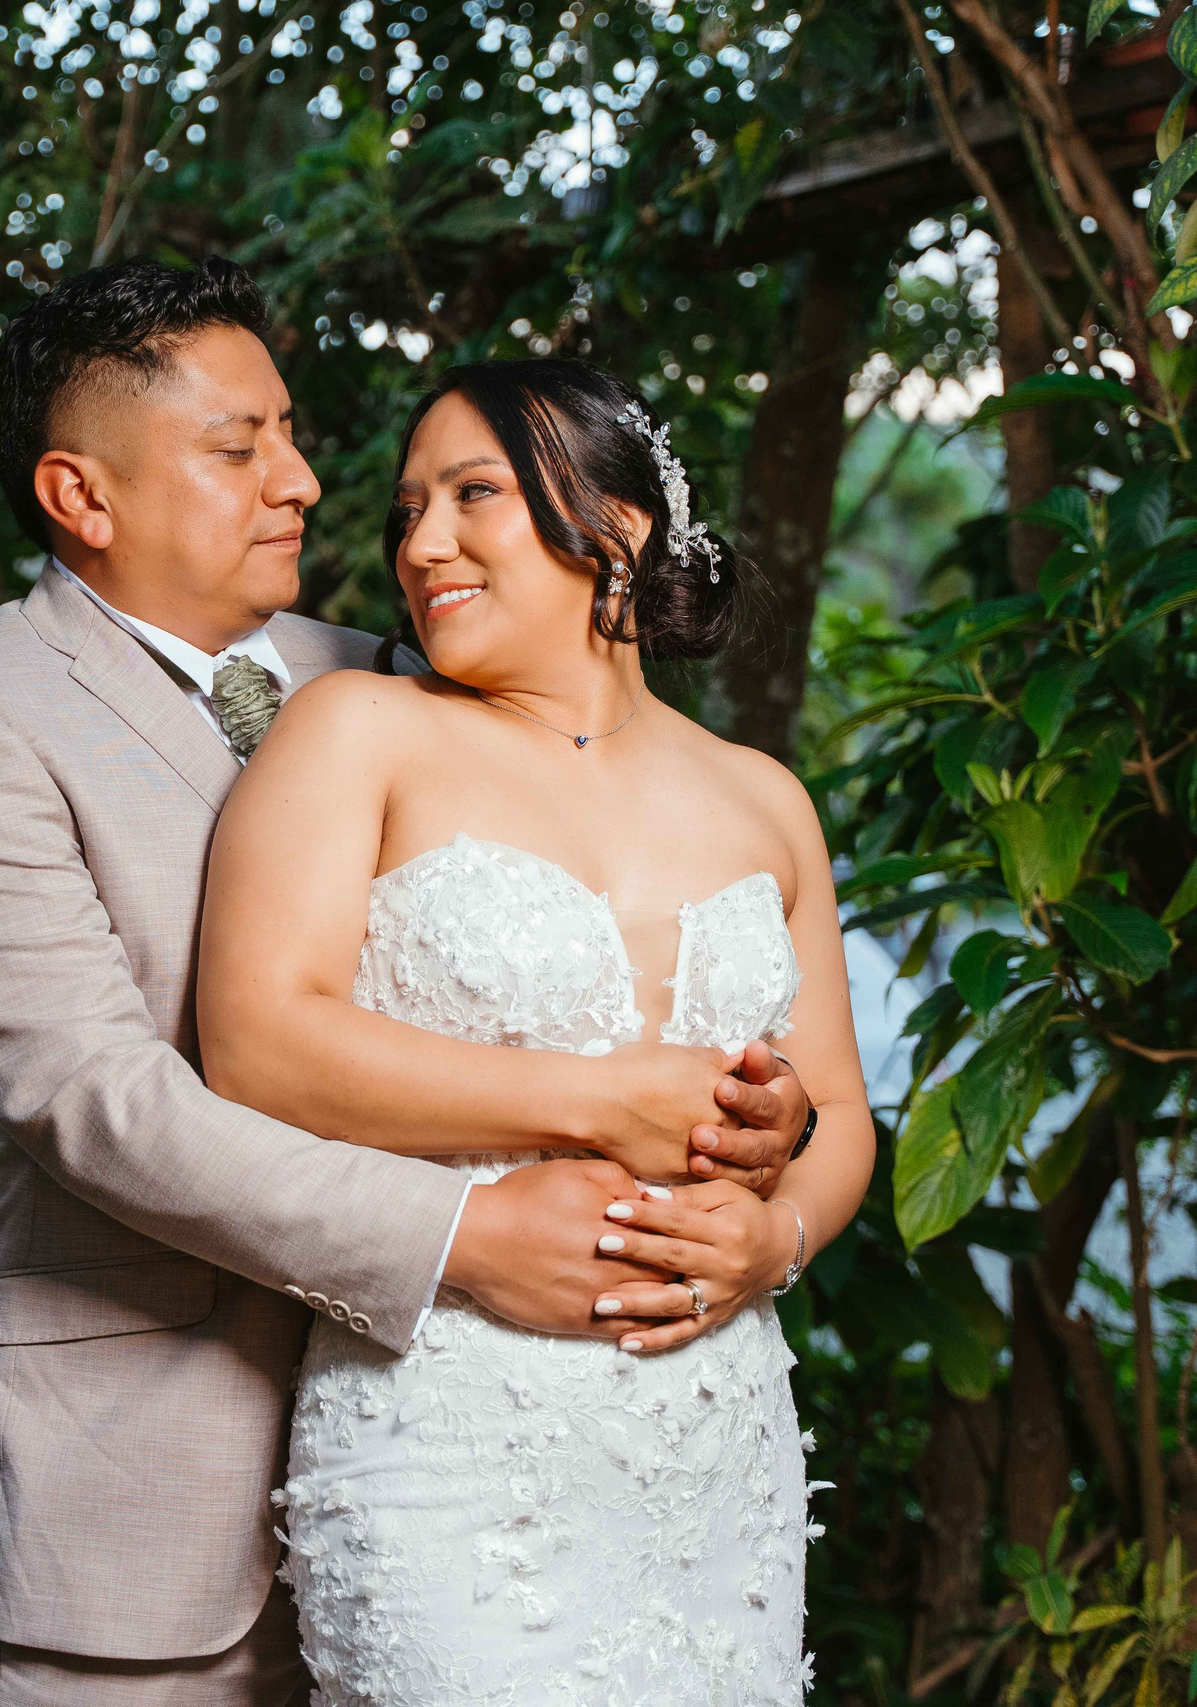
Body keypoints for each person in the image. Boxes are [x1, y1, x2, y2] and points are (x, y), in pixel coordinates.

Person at [0, 258, 812, 1705]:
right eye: (239, 448)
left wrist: (762, 1111)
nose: (300, 482)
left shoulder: (405, 673)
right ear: (81, 495)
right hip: (145, 1469)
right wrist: (465, 1235)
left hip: (483, 1464)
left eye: (290, 436)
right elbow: (96, 1104)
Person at [196, 356, 874, 1703]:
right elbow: (259, 1046)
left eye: (472, 496)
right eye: (408, 512)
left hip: (714, 1446)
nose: (420, 545)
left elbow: (841, 1113)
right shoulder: (356, 731)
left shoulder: (765, 799)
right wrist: (598, 1099)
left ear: (617, 526)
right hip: (453, 1439)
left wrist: (777, 1237)